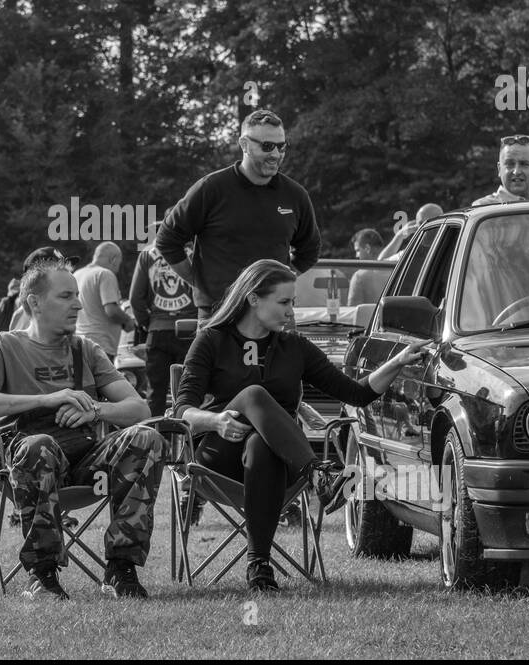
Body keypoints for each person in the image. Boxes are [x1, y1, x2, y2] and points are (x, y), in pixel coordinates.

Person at [175, 259, 428, 591]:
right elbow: (182, 412)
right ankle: (319, 475)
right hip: (217, 459)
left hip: (276, 463)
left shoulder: (294, 347)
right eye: (283, 302)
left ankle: (259, 567)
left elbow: (355, 393)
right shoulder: (212, 340)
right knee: (254, 394)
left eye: (292, 302)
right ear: (253, 299)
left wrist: (396, 362)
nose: (291, 311)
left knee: (261, 446)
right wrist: (217, 420)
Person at [0, 257, 162, 600]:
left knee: (146, 437)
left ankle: (120, 570)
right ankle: (43, 576)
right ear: (34, 302)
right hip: (23, 461)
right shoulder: (2, 346)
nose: (78, 304)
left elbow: (139, 409)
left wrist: (95, 410)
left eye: (77, 296)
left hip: (83, 461)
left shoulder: (85, 349)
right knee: (40, 445)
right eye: (66, 296)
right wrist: (47, 400)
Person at [156, 110, 321, 324]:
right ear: (244, 145)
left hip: (274, 315)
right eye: (267, 146)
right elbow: (167, 239)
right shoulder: (211, 188)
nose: (276, 154)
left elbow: (310, 250)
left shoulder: (295, 195)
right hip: (218, 313)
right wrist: (198, 282)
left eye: (281, 147)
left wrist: (281, 282)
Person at [129, 220, 195, 416]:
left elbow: (135, 298)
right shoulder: (197, 252)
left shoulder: (147, 254)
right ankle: (190, 440)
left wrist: (148, 323)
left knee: (155, 393)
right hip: (190, 329)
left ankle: (155, 441)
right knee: (190, 391)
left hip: (158, 330)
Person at [0, 246, 76, 336]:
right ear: (35, 278)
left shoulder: (60, 311)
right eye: (59, 271)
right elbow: (20, 347)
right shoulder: (30, 315)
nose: (67, 275)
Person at [73, 242, 134, 360]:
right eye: (118, 265)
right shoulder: (105, 274)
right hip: (100, 346)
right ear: (113, 259)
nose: (117, 270)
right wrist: (127, 321)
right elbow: (111, 310)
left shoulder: (77, 275)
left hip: (78, 343)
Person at [472, 134, 529, 205]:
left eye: (524, 164)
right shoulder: (483, 209)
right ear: (499, 169)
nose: (516, 172)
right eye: (510, 164)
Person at [377, 204, 444, 260]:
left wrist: (400, 236)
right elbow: (380, 265)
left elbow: (379, 266)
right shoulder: (411, 253)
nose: (426, 227)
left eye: (433, 222)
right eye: (421, 223)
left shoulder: (412, 254)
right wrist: (399, 236)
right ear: (416, 227)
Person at [347, 228, 390, 307]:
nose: (356, 256)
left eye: (358, 251)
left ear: (367, 248)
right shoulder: (400, 270)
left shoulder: (359, 277)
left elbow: (353, 311)